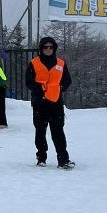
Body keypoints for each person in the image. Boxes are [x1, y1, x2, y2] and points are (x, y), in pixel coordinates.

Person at [26, 35, 75, 168]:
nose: (48, 49)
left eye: (51, 47)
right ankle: (41, 157)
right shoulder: (34, 63)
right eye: (45, 47)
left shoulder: (61, 63)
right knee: (40, 131)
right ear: (41, 49)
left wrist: (58, 89)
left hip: (55, 102)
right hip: (39, 103)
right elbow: (28, 81)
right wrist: (41, 90)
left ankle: (63, 159)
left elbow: (67, 81)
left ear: (54, 48)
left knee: (58, 131)